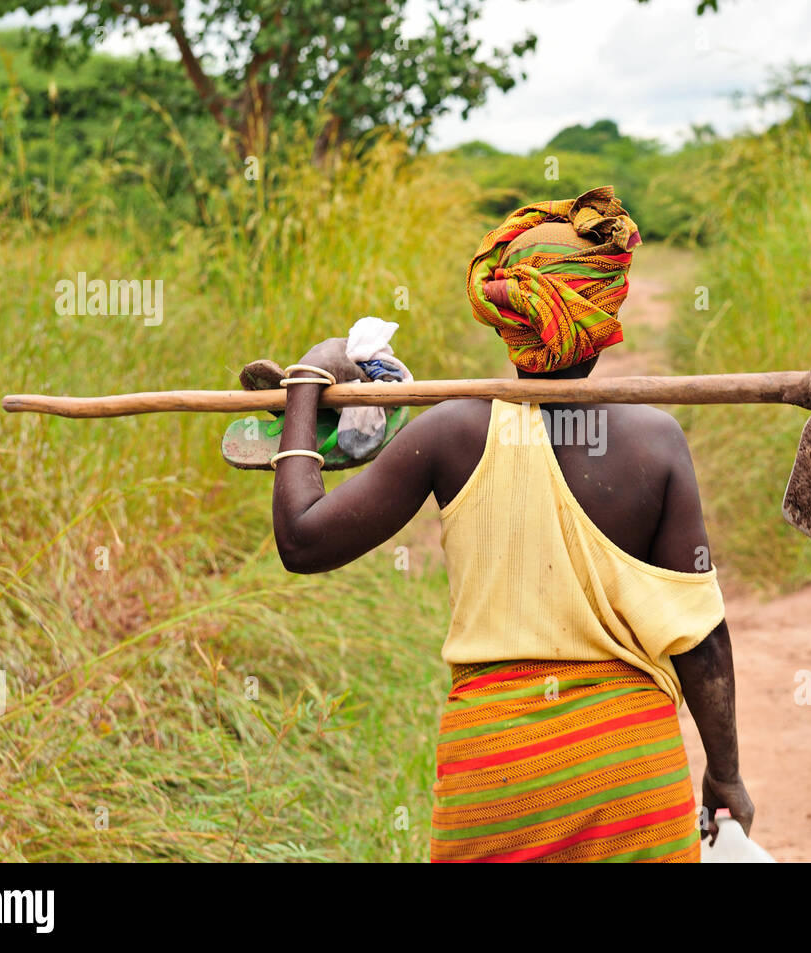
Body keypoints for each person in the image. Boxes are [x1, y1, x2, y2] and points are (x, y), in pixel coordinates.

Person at [270, 186, 752, 863]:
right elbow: (701, 638)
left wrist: (306, 383)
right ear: (604, 310)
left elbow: (303, 538)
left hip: (494, 779)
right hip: (631, 774)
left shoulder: (449, 431)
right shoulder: (657, 442)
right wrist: (725, 774)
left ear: (505, 315)